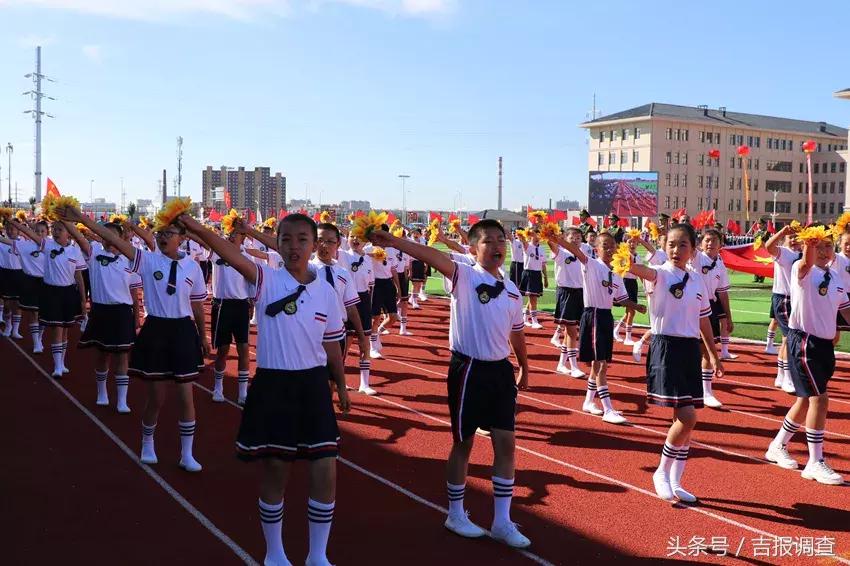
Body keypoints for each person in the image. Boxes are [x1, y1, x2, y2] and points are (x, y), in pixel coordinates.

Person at [183, 212, 350, 566]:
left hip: (314, 387)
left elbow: (333, 345)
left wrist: (343, 387)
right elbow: (229, 254)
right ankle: (275, 552)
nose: (294, 246)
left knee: (325, 468)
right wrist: (197, 229)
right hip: (274, 385)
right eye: (286, 239)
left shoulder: (327, 292)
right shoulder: (266, 280)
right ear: (276, 242)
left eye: (303, 239)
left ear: (314, 244)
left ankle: (317, 555)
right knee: (277, 469)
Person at [367, 219, 532, 548]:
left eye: (502, 239)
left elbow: (517, 332)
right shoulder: (464, 275)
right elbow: (429, 254)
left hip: (500, 371)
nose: (498, 245)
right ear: (473, 247)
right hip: (468, 368)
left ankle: (501, 521)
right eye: (488, 240)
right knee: (464, 443)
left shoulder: (512, 290)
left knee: (506, 444)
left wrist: (524, 367)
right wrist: (394, 241)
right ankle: (455, 513)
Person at [60, 205, 209, 472]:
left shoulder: (193, 268)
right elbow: (115, 240)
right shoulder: (148, 260)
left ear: (183, 237)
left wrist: (203, 335)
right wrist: (82, 219)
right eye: (160, 232)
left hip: (183, 331)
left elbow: (197, 306)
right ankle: (147, 442)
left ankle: (187, 454)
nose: (163, 237)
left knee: (187, 396)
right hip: (157, 330)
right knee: (156, 396)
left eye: (170, 232)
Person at [624, 222, 723, 502]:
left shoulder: (696, 281)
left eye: (683, 245)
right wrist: (626, 260)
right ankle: (661, 471)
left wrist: (713, 354)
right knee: (687, 417)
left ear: (693, 251)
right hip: (666, 348)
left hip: (690, 350)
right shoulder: (660, 275)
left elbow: (703, 319)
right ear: (663, 246)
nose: (676, 249)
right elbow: (640, 270)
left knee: (685, 420)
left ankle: (676, 480)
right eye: (671, 244)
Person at [764, 229, 850, 485]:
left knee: (805, 401)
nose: (824, 252)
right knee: (819, 400)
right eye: (818, 246)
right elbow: (806, 262)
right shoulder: (801, 271)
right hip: (804, 343)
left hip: (824, 347)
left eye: (828, 246)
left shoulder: (835, 277)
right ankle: (815, 461)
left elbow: (846, 309)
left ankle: (777, 445)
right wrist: (809, 245)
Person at [557, 232, 645, 423]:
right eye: (605, 245)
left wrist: (636, 306)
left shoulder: (616, 271)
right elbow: (575, 250)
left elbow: (621, 298)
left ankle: (589, 401)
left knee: (599, 365)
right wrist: (557, 239)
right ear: (596, 249)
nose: (610, 248)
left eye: (612, 245)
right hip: (593, 315)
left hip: (606, 317)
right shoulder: (591, 264)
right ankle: (607, 409)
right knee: (601, 365)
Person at [70, 220, 138, 413]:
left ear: (120, 238)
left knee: (123, 355)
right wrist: (67, 219)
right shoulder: (93, 253)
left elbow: (134, 292)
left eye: (112, 235)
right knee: (102, 354)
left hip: (123, 312)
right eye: (105, 235)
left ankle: (122, 400)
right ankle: (102, 392)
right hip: (101, 311)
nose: (108, 240)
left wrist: (136, 318)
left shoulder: (130, 259)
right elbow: (78, 236)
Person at [13, 218, 86, 377]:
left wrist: (82, 298)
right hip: (51, 292)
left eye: (60, 229)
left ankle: (62, 362)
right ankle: (57, 365)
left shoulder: (75, 251)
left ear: (69, 233)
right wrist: (17, 224)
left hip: (68, 292)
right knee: (57, 328)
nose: (56, 232)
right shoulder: (47, 245)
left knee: (65, 329)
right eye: (55, 229)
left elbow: (78, 276)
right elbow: (30, 234)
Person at [311, 222, 371, 392]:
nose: (324, 245)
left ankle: (325, 415)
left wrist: (362, 337)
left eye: (330, 241)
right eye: (320, 240)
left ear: (338, 244)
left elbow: (351, 308)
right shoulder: (307, 270)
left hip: (337, 332)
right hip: (311, 330)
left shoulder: (343, 273)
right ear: (313, 243)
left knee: (332, 379)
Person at [208, 223, 254, 405]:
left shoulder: (247, 256)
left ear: (243, 236)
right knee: (223, 350)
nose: (231, 236)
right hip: (222, 306)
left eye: (235, 233)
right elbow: (203, 239)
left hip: (241, 306)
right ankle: (218, 387)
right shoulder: (216, 252)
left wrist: (251, 303)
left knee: (244, 349)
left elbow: (251, 281)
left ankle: (242, 393)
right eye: (229, 232)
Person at [691, 229, 733, 408]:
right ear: (700, 244)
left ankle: (706, 391)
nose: (710, 244)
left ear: (720, 245)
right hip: (690, 305)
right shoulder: (696, 258)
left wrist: (728, 317)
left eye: (714, 241)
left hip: (709, 308)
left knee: (708, 349)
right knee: (690, 350)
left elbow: (722, 293)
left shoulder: (720, 265)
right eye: (707, 240)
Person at [337, 232, 377, 394]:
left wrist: (371, 308)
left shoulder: (368, 259)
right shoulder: (343, 255)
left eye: (359, 237)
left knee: (364, 342)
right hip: (345, 301)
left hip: (363, 301)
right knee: (344, 344)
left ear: (365, 241)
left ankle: (364, 383)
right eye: (352, 236)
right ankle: (340, 380)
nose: (355, 240)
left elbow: (371, 286)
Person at [764, 225, 802, 393]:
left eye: (796, 236)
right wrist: (781, 232)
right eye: (790, 237)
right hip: (783, 298)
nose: (794, 240)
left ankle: (780, 375)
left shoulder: (803, 254)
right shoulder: (783, 253)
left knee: (789, 338)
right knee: (789, 337)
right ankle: (787, 376)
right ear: (785, 240)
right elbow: (768, 247)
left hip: (796, 299)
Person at [547, 228, 585, 378]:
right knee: (571, 331)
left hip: (580, 293)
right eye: (572, 238)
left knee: (573, 330)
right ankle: (574, 366)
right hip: (566, 293)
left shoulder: (584, 254)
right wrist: (550, 236)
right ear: (565, 238)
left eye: (578, 238)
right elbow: (552, 245)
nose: (576, 240)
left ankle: (562, 364)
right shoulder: (561, 252)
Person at [10, 219, 48, 352]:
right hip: (30, 281)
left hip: (46, 283)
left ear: (47, 233)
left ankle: (40, 337)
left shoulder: (51, 246)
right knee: (33, 312)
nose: (39, 233)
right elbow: (9, 242)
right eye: (37, 231)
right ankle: (36, 342)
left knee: (43, 314)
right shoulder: (25, 245)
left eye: (43, 231)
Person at [631, 232, 666, 362]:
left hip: (669, 294)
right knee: (658, 324)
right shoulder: (659, 254)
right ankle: (641, 343)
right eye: (665, 240)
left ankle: (642, 343)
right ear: (660, 242)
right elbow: (650, 249)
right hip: (655, 292)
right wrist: (639, 239)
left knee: (663, 324)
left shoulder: (676, 255)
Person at [613, 237, 642, 345]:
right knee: (631, 310)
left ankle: (616, 330)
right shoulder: (623, 255)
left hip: (633, 283)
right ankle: (628, 337)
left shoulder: (638, 257)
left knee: (629, 311)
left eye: (634, 242)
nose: (632, 244)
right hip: (624, 281)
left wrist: (645, 285)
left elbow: (640, 272)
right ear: (625, 243)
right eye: (629, 241)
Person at [519, 229, 548, 328]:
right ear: (531, 236)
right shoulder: (527, 246)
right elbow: (523, 240)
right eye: (535, 234)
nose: (537, 237)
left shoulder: (542, 248)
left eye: (539, 234)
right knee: (533, 299)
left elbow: (543, 264)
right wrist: (524, 235)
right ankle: (534, 321)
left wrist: (545, 277)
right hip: (529, 273)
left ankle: (525, 318)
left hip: (537, 274)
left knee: (532, 298)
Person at [0, 221, 24, 339]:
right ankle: (8, 326)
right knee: (7, 304)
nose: (10, 231)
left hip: (19, 275)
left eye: (13, 229)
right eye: (8, 228)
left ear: (18, 230)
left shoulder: (23, 243)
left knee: (18, 304)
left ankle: (15, 330)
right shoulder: (1, 242)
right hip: (5, 274)